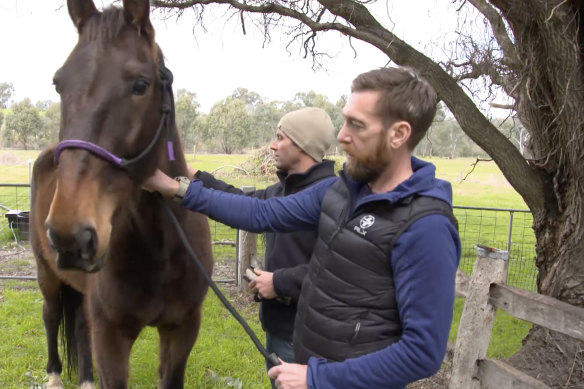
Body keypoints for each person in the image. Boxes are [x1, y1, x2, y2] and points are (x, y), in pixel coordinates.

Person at [144, 66, 461, 389]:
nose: (341, 136)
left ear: (399, 134)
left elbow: (422, 352)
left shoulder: (426, 227)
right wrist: (175, 187)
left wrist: (318, 377)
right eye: (345, 120)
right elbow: (261, 212)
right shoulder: (342, 191)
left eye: (357, 125)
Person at [188, 107, 336, 381]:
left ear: (302, 145)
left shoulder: (331, 197)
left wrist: (279, 282)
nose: (272, 145)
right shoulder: (282, 191)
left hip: (310, 338)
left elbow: (338, 272)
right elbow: (242, 202)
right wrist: (194, 175)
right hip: (279, 329)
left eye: (280, 137)